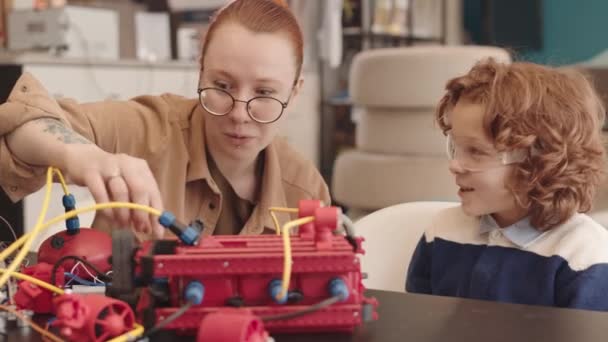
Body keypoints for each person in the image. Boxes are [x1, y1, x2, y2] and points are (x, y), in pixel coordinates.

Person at [0, 0, 330, 239]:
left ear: (295, 91)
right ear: (200, 71)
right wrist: (82, 155)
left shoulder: (305, 190)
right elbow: (21, 122)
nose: (239, 114)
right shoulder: (148, 130)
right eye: (222, 86)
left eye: (265, 93)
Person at [406, 59, 608, 311]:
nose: (455, 165)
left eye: (476, 152)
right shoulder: (442, 231)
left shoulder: (583, 254)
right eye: (455, 147)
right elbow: (418, 323)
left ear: (539, 161)